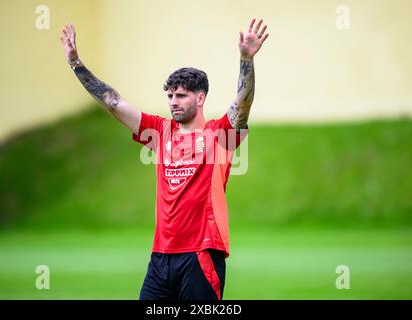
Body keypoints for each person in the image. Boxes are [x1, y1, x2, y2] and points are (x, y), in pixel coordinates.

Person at [60, 18, 268, 300]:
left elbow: (242, 104)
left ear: (200, 98)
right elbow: (112, 102)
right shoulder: (160, 131)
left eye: (181, 95)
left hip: (201, 255)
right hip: (160, 258)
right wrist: (76, 64)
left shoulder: (220, 134)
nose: (173, 101)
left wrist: (246, 59)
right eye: (170, 95)